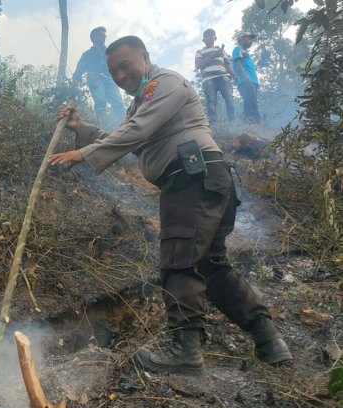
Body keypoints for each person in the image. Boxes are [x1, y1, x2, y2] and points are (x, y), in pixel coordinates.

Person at [48, 36, 292, 376]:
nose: (120, 75)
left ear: (145, 57)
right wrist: (81, 129)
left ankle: (186, 351)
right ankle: (269, 340)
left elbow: (136, 131)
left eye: (125, 65)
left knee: (178, 259)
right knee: (211, 267)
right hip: (205, 180)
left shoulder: (166, 83)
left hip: (191, 178)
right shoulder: (142, 105)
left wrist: (83, 154)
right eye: (113, 71)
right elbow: (131, 138)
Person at [72, 27, 126, 129]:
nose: (104, 37)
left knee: (118, 103)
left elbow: (117, 64)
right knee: (101, 103)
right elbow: (80, 67)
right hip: (95, 78)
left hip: (110, 79)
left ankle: (124, 126)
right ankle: (104, 127)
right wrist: (76, 78)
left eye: (105, 35)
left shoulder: (109, 52)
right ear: (93, 38)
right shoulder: (88, 54)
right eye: (101, 35)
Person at [195, 29, 236, 124]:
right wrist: (214, 55)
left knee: (229, 98)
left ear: (215, 38)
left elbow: (227, 65)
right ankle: (213, 124)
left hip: (223, 76)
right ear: (203, 40)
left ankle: (233, 123)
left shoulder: (221, 50)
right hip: (208, 78)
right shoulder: (199, 52)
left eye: (211, 35)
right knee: (211, 101)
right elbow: (198, 65)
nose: (209, 37)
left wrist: (234, 75)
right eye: (206, 36)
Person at [232, 31, 260, 123]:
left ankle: (255, 123)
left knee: (253, 102)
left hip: (252, 81)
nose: (250, 41)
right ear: (241, 39)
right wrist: (245, 77)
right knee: (250, 102)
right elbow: (238, 63)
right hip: (246, 81)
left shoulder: (245, 52)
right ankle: (250, 122)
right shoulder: (238, 49)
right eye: (248, 38)